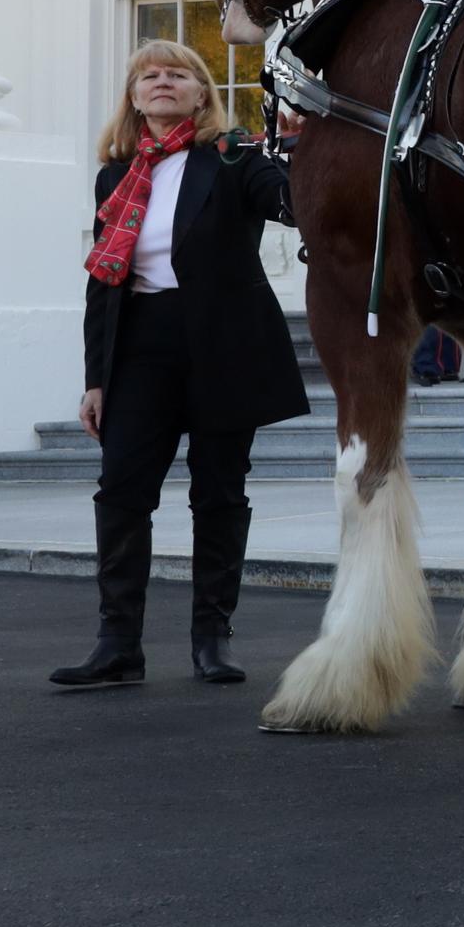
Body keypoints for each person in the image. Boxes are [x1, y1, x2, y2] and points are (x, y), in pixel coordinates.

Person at [59, 40, 309, 689]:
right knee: (121, 492)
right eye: (149, 75)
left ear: (201, 95)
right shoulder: (117, 175)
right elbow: (102, 282)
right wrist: (95, 378)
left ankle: (212, 640)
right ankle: (118, 645)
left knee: (219, 493)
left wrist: (297, 150)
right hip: (140, 346)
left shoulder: (232, 160)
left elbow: (293, 206)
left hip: (222, 343)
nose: (162, 82)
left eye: (178, 74)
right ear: (134, 97)